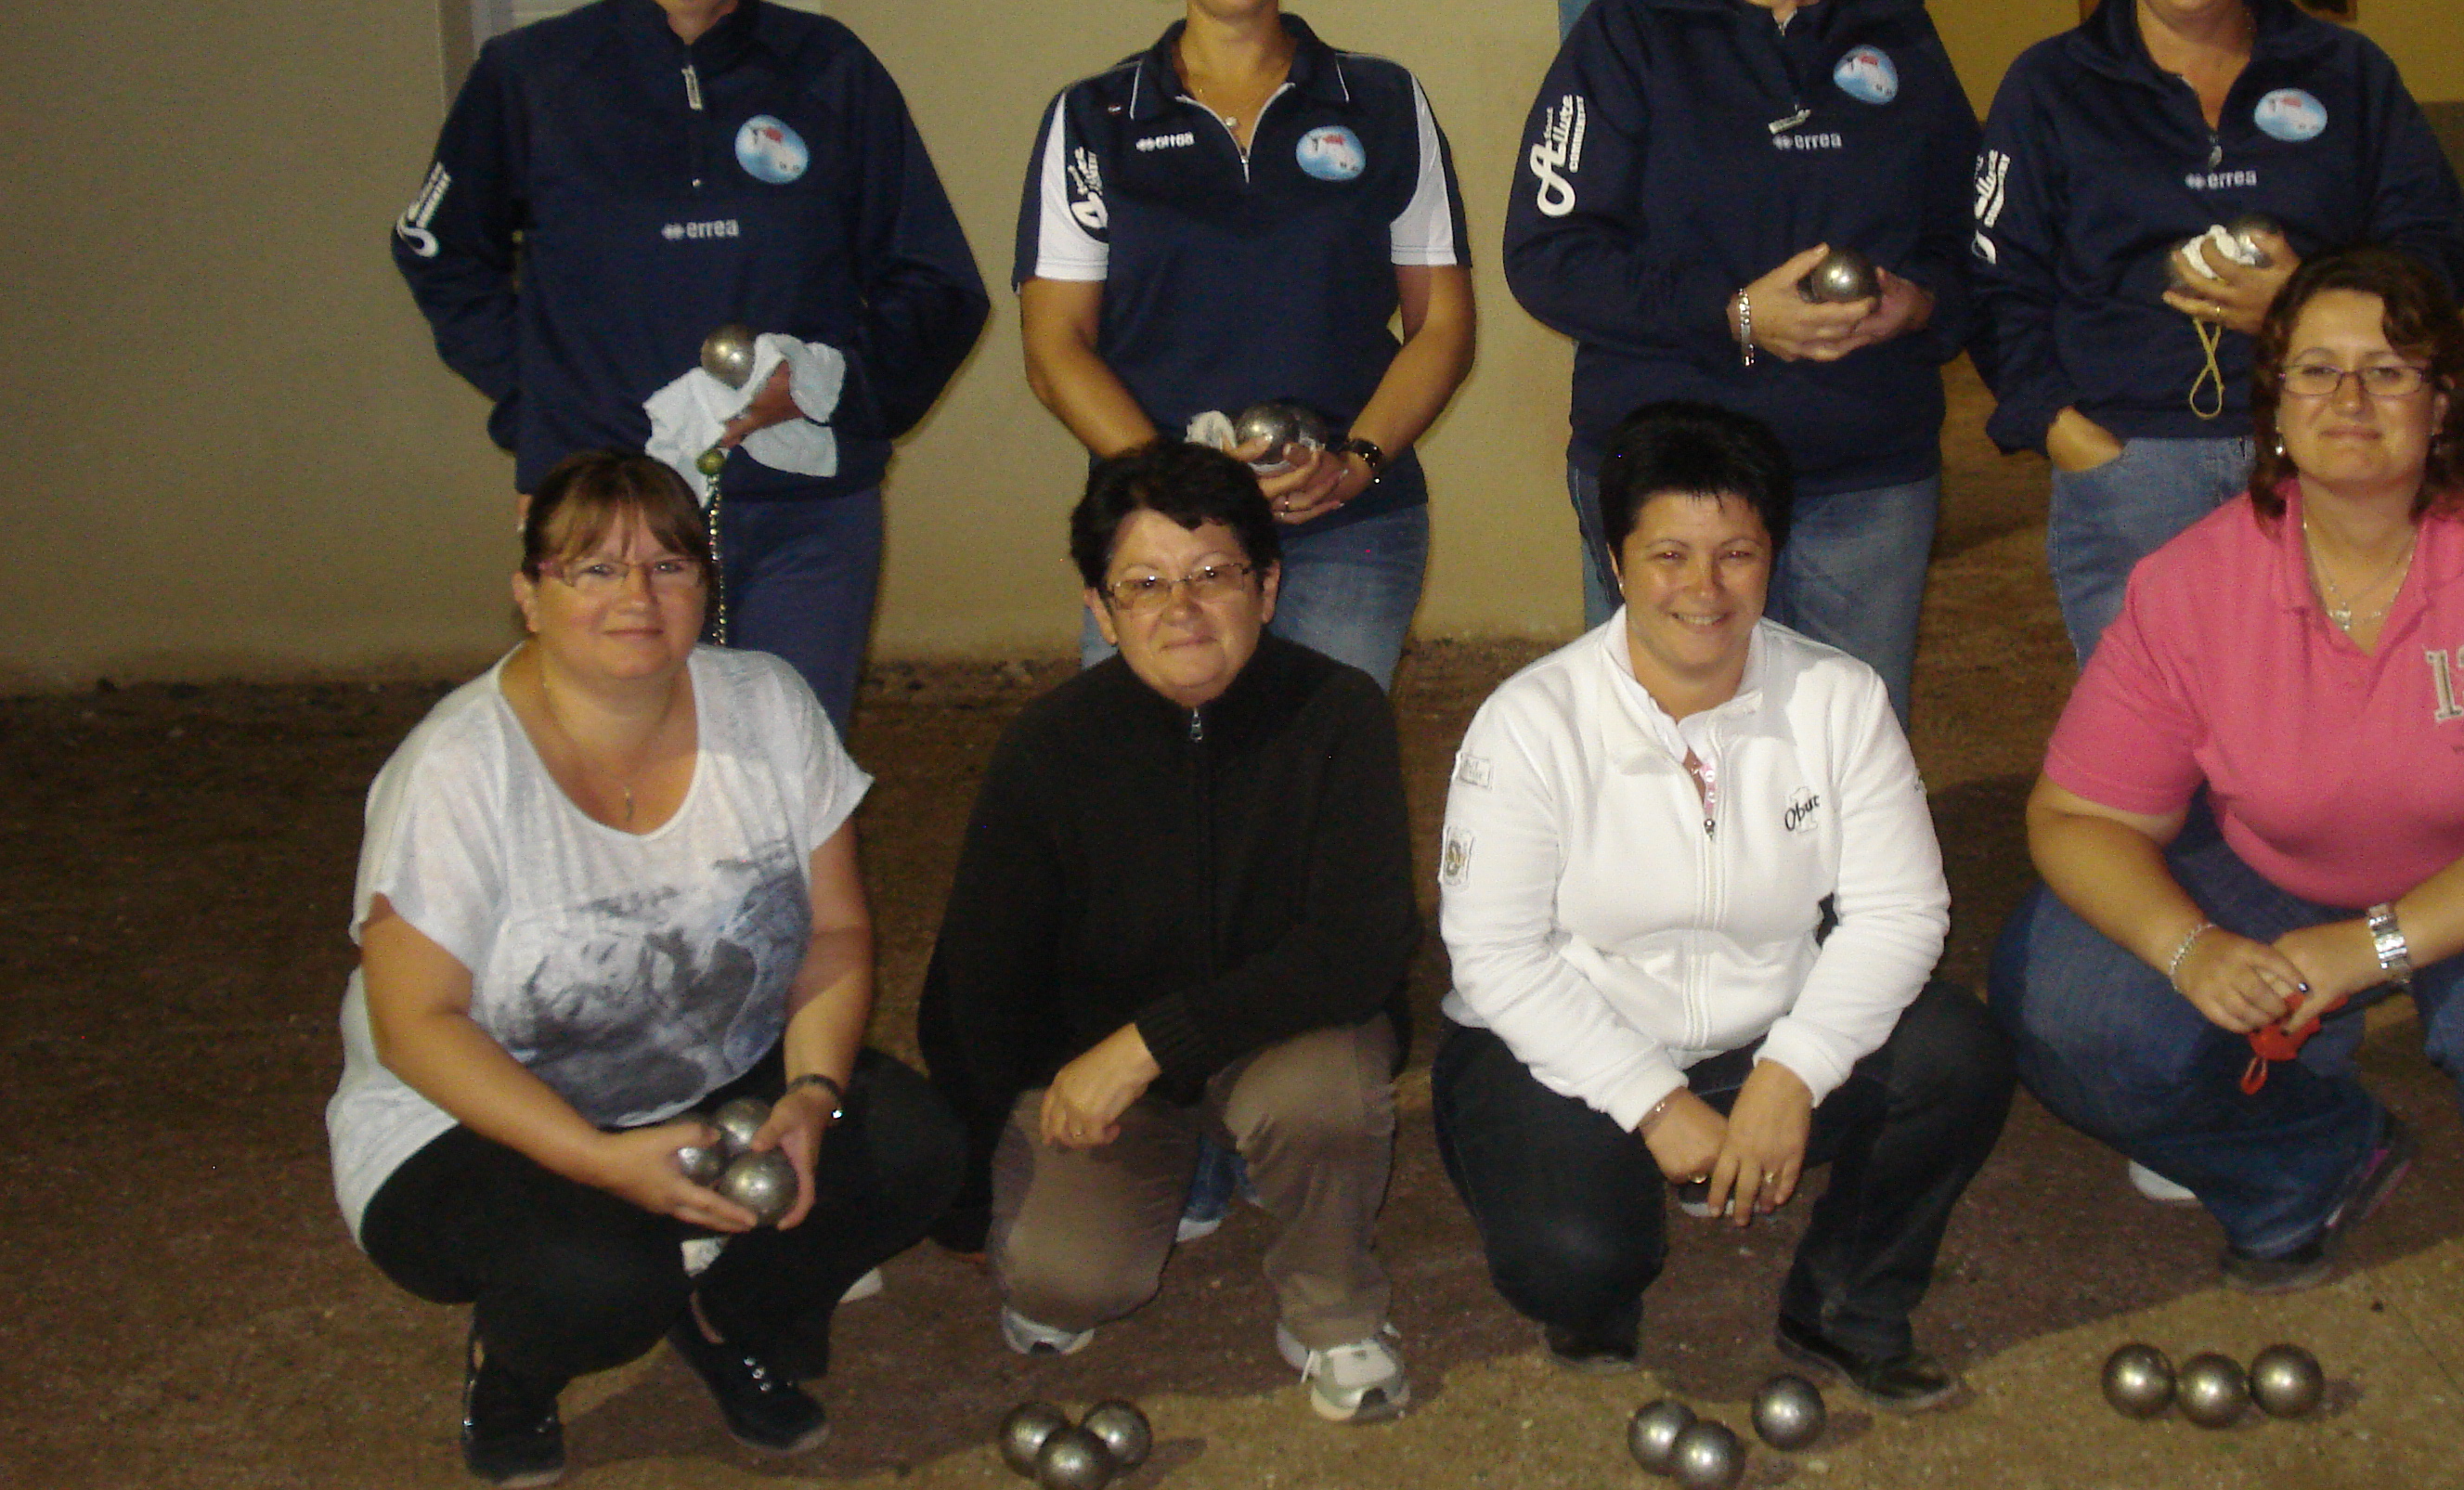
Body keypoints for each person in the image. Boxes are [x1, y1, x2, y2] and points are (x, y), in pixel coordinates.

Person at [1989, 250, 2464, 1414]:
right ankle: (2309, 1163)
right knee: (2068, 1001)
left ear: (2445, 403)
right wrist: (2190, 946)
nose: (2350, 400)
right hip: (2286, 866)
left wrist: (2378, 944)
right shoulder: (2193, 582)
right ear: (2272, 408)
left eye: (2389, 370)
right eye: (2316, 371)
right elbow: (2077, 818)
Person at [326, 451, 960, 1487]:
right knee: (603, 1278)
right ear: (528, 596)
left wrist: (810, 1091)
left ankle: (728, 1315)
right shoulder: (455, 770)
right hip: (470, 1116)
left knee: (906, 1148)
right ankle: (514, 1374)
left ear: (706, 590)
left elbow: (837, 936)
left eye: (670, 567)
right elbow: (418, 1026)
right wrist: (596, 1160)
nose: (638, 598)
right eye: (594, 571)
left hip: (710, 1072)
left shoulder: (767, 706)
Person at [1433, 402, 2014, 1405]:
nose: (1703, 589)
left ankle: (1845, 1301)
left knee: (1957, 1055)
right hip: (1570, 1042)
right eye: (1668, 554)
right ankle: (1605, 1266)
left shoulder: (1838, 698)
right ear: (1616, 563)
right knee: (1573, 1259)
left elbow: (1902, 914)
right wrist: (1653, 1104)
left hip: (1760, 1032)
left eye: (1736, 553)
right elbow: (1496, 956)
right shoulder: (1529, 723)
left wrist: (1793, 1074)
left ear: (1772, 557)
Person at [394, 0, 988, 731]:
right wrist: (546, 405)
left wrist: (827, 386)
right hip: (609, 522)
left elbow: (938, 283)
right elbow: (435, 250)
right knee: (620, 785)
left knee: (783, 788)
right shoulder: (530, 79)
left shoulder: (831, 71)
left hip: (802, 518)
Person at [918, 440, 1420, 1423]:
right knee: (1062, 1282)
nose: (1180, 610)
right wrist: (971, 1183)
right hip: (1101, 1066)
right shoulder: (1049, 747)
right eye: (1143, 585)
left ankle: (1331, 1307)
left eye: (1213, 575)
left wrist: (1149, 1046)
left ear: (1268, 589)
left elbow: (1359, 943)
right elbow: (975, 980)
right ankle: (1182, 1165)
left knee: (1326, 1099)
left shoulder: (1337, 713)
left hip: (1279, 1038)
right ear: (1102, 611)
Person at [1503, 0, 1979, 729]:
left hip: (1865, 476)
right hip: (1677, 492)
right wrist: (1733, 315)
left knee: (1845, 759)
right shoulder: (1626, 38)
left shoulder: (1900, 32)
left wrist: (1919, 305)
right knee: (1669, 768)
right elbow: (1549, 258)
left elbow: (1973, 236)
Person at [1970, 0, 2464, 666]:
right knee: (2160, 759)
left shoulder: (2347, 74)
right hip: (2129, 472)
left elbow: (2439, 251)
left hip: (2323, 453)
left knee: (2328, 732)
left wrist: (2311, 304)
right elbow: (1992, 279)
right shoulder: (2049, 88)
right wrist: (2067, 433)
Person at [1015, 0, 1474, 695]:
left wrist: (1358, 465)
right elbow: (1053, 349)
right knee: (1149, 793)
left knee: (1313, 785)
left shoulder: (1380, 101)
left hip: (1350, 527)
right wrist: (1184, 488)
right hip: (1161, 534)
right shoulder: (1095, 118)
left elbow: (1443, 325)